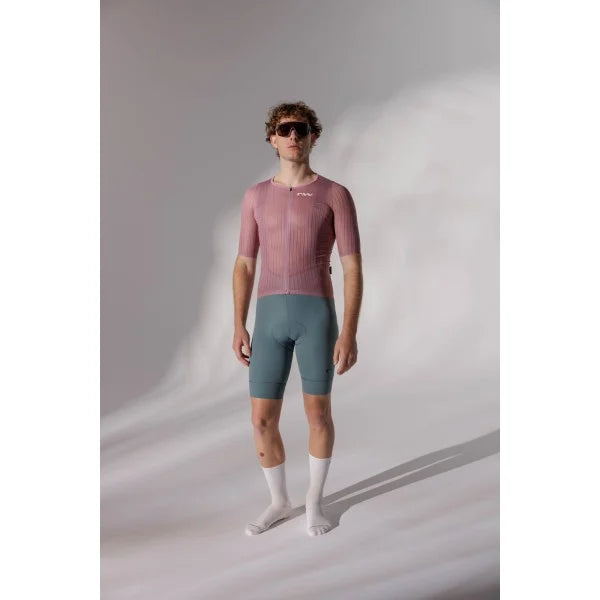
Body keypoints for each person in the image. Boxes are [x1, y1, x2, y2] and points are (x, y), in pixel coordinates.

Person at [232, 101, 363, 537]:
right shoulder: (255, 196)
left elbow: (352, 267)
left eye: (301, 129)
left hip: (316, 316)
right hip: (268, 317)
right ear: (272, 138)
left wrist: (349, 331)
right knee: (260, 420)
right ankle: (279, 501)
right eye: (285, 129)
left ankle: (314, 502)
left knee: (318, 414)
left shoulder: (334, 194)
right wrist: (238, 323)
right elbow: (245, 264)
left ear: (313, 137)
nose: (293, 136)